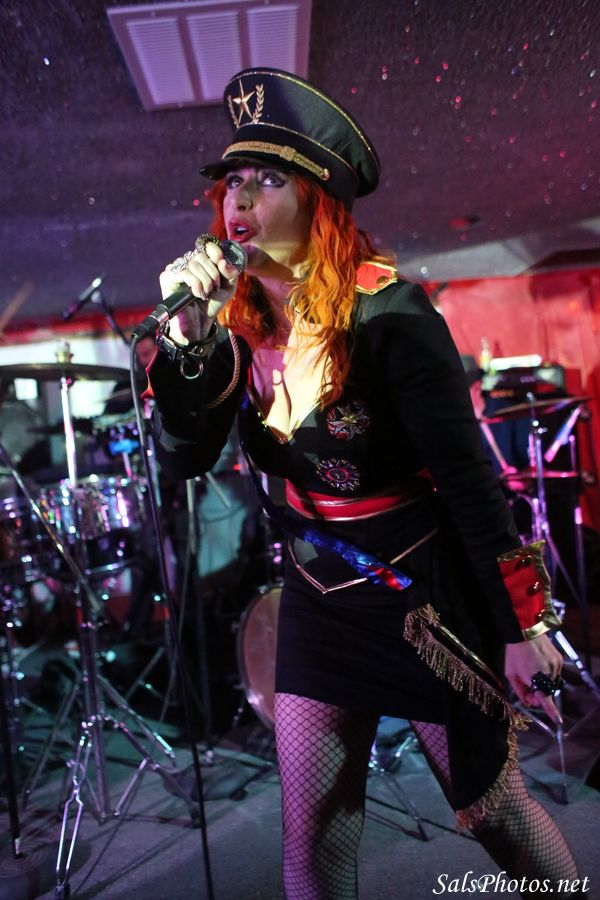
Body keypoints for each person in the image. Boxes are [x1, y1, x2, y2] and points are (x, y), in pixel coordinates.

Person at [145, 68, 579, 898]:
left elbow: (471, 480)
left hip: (420, 597)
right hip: (317, 596)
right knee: (311, 839)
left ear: (319, 200)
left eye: (268, 180)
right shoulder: (231, 326)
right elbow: (186, 454)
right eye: (233, 180)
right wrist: (186, 343)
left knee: (496, 816)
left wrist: (524, 623)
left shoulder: (391, 314)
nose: (240, 199)